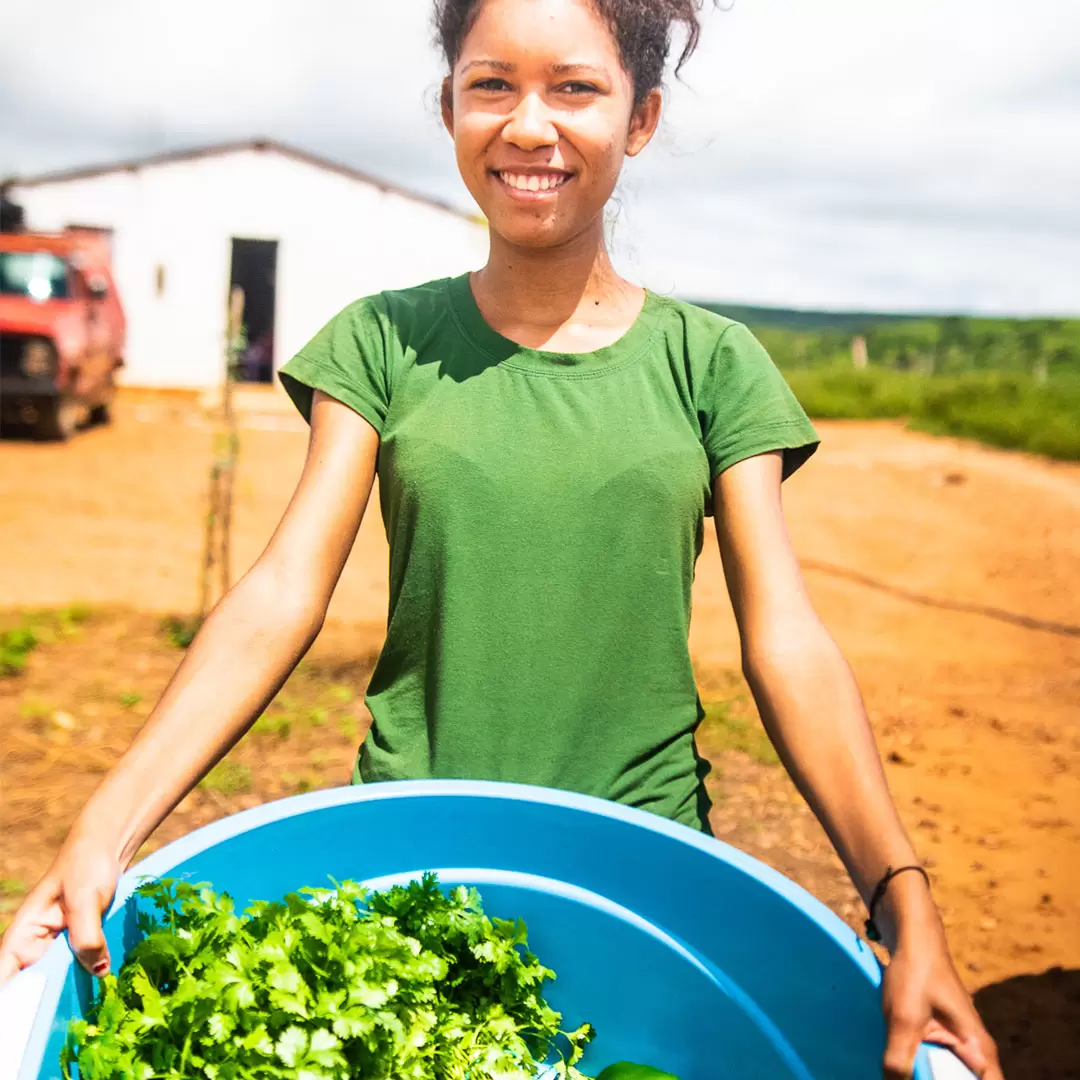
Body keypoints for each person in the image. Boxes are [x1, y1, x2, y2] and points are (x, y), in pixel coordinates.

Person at [0, 1, 1001, 1077]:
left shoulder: (713, 364)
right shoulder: (382, 342)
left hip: (646, 874)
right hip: (411, 862)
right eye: (492, 85)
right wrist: (108, 825)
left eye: (576, 88)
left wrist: (901, 896)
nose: (530, 126)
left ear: (643, 116)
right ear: (449, 108)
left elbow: (787, 642)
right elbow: (283, 592)